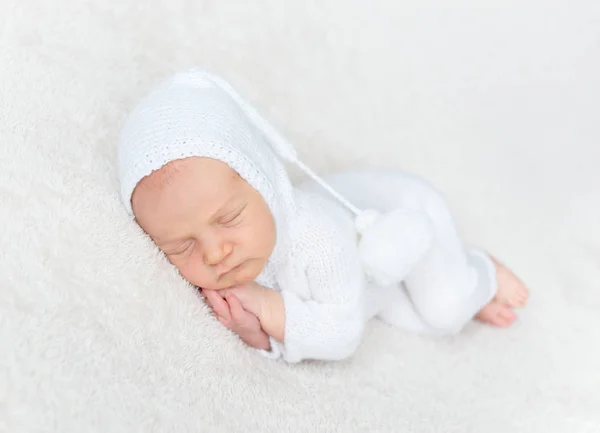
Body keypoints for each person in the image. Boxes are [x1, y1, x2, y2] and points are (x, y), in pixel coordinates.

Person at [117, 69, 529, 363]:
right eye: (182, 246)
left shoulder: (317, 239)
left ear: (264, 183)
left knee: (446, 310)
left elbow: (343, 334)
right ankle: (455, 276)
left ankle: (479, 270)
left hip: (400, 211)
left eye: (229, 218)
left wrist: (269, 307)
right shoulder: (235, 247)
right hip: (364, 282)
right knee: (409, 319)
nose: (214, 253)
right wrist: (255, 333)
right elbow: (294, 329)